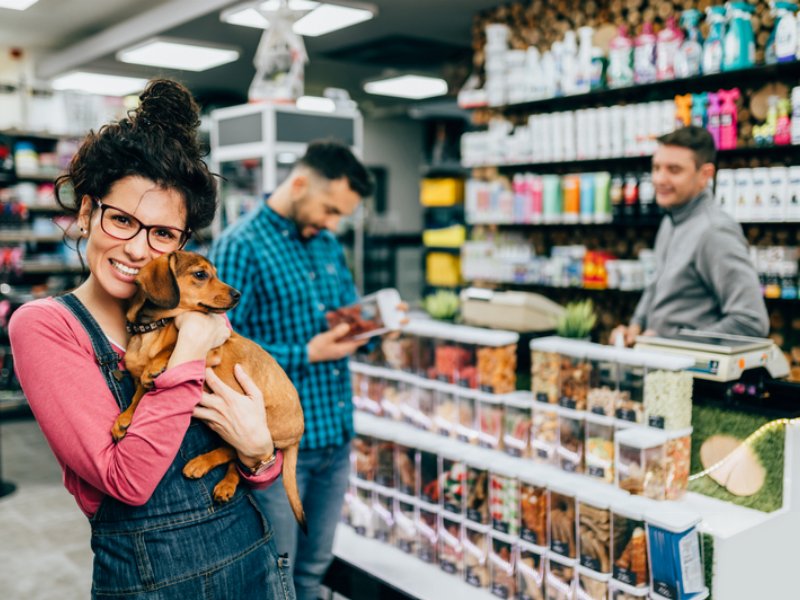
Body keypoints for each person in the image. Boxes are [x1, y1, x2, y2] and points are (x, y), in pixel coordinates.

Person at [9, 79, 294, 600]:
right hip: (151, 584)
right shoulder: (47, 326)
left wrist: (258, 455)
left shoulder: (190, 308)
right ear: (88, 212)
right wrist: (188, 349)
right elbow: (128, 481)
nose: (140, 250)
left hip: (253, 561)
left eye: (163, 234)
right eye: (122, 220)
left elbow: (255, 464)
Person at [209, 140, 375, 600]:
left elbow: (346, 316)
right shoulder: (240, 246)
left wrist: (375, 326)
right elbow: (222, 351)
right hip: (279, 449)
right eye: (329, 209)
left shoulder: (325, 244)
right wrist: (308, 352)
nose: (332, 223)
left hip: (335, 436)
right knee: (276, 574)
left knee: (313, 570)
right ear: (299, 183)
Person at [612, 125, 769, 346]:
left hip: (694, 378)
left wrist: (670, 343)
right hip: (663, 370)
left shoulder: (714, 232)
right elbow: (656, 285)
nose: (659, 179)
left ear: (705, 175)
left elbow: (751, 322)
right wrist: (636, 326)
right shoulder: (670, 220)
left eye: (674, 170)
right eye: (656, 167)